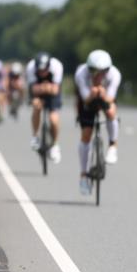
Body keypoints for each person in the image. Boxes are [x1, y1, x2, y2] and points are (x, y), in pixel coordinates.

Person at [75, 49, 122, 195]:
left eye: (103, 71)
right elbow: (84, 98)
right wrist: (93, 94)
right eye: (94, 71)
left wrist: (102, 94)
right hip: (88, 100)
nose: (98, 75)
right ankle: (83, 175)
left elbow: (110, 98)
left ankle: (113, 145)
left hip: (105, 97)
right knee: (86, 134)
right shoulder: (81, 74)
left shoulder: (115, 74)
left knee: (110, 112)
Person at [26, 52, 64, 163]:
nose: (42, 73)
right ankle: (35, 136)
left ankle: (55, 145)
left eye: (45, 70)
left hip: (53, 93)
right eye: (40, 70)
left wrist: (43, 87)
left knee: (53, 119)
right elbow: (33, 89)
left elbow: (55, 90)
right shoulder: (31, 67)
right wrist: (45, 87)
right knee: (36, 106)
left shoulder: (57, 66)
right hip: (38, 90)